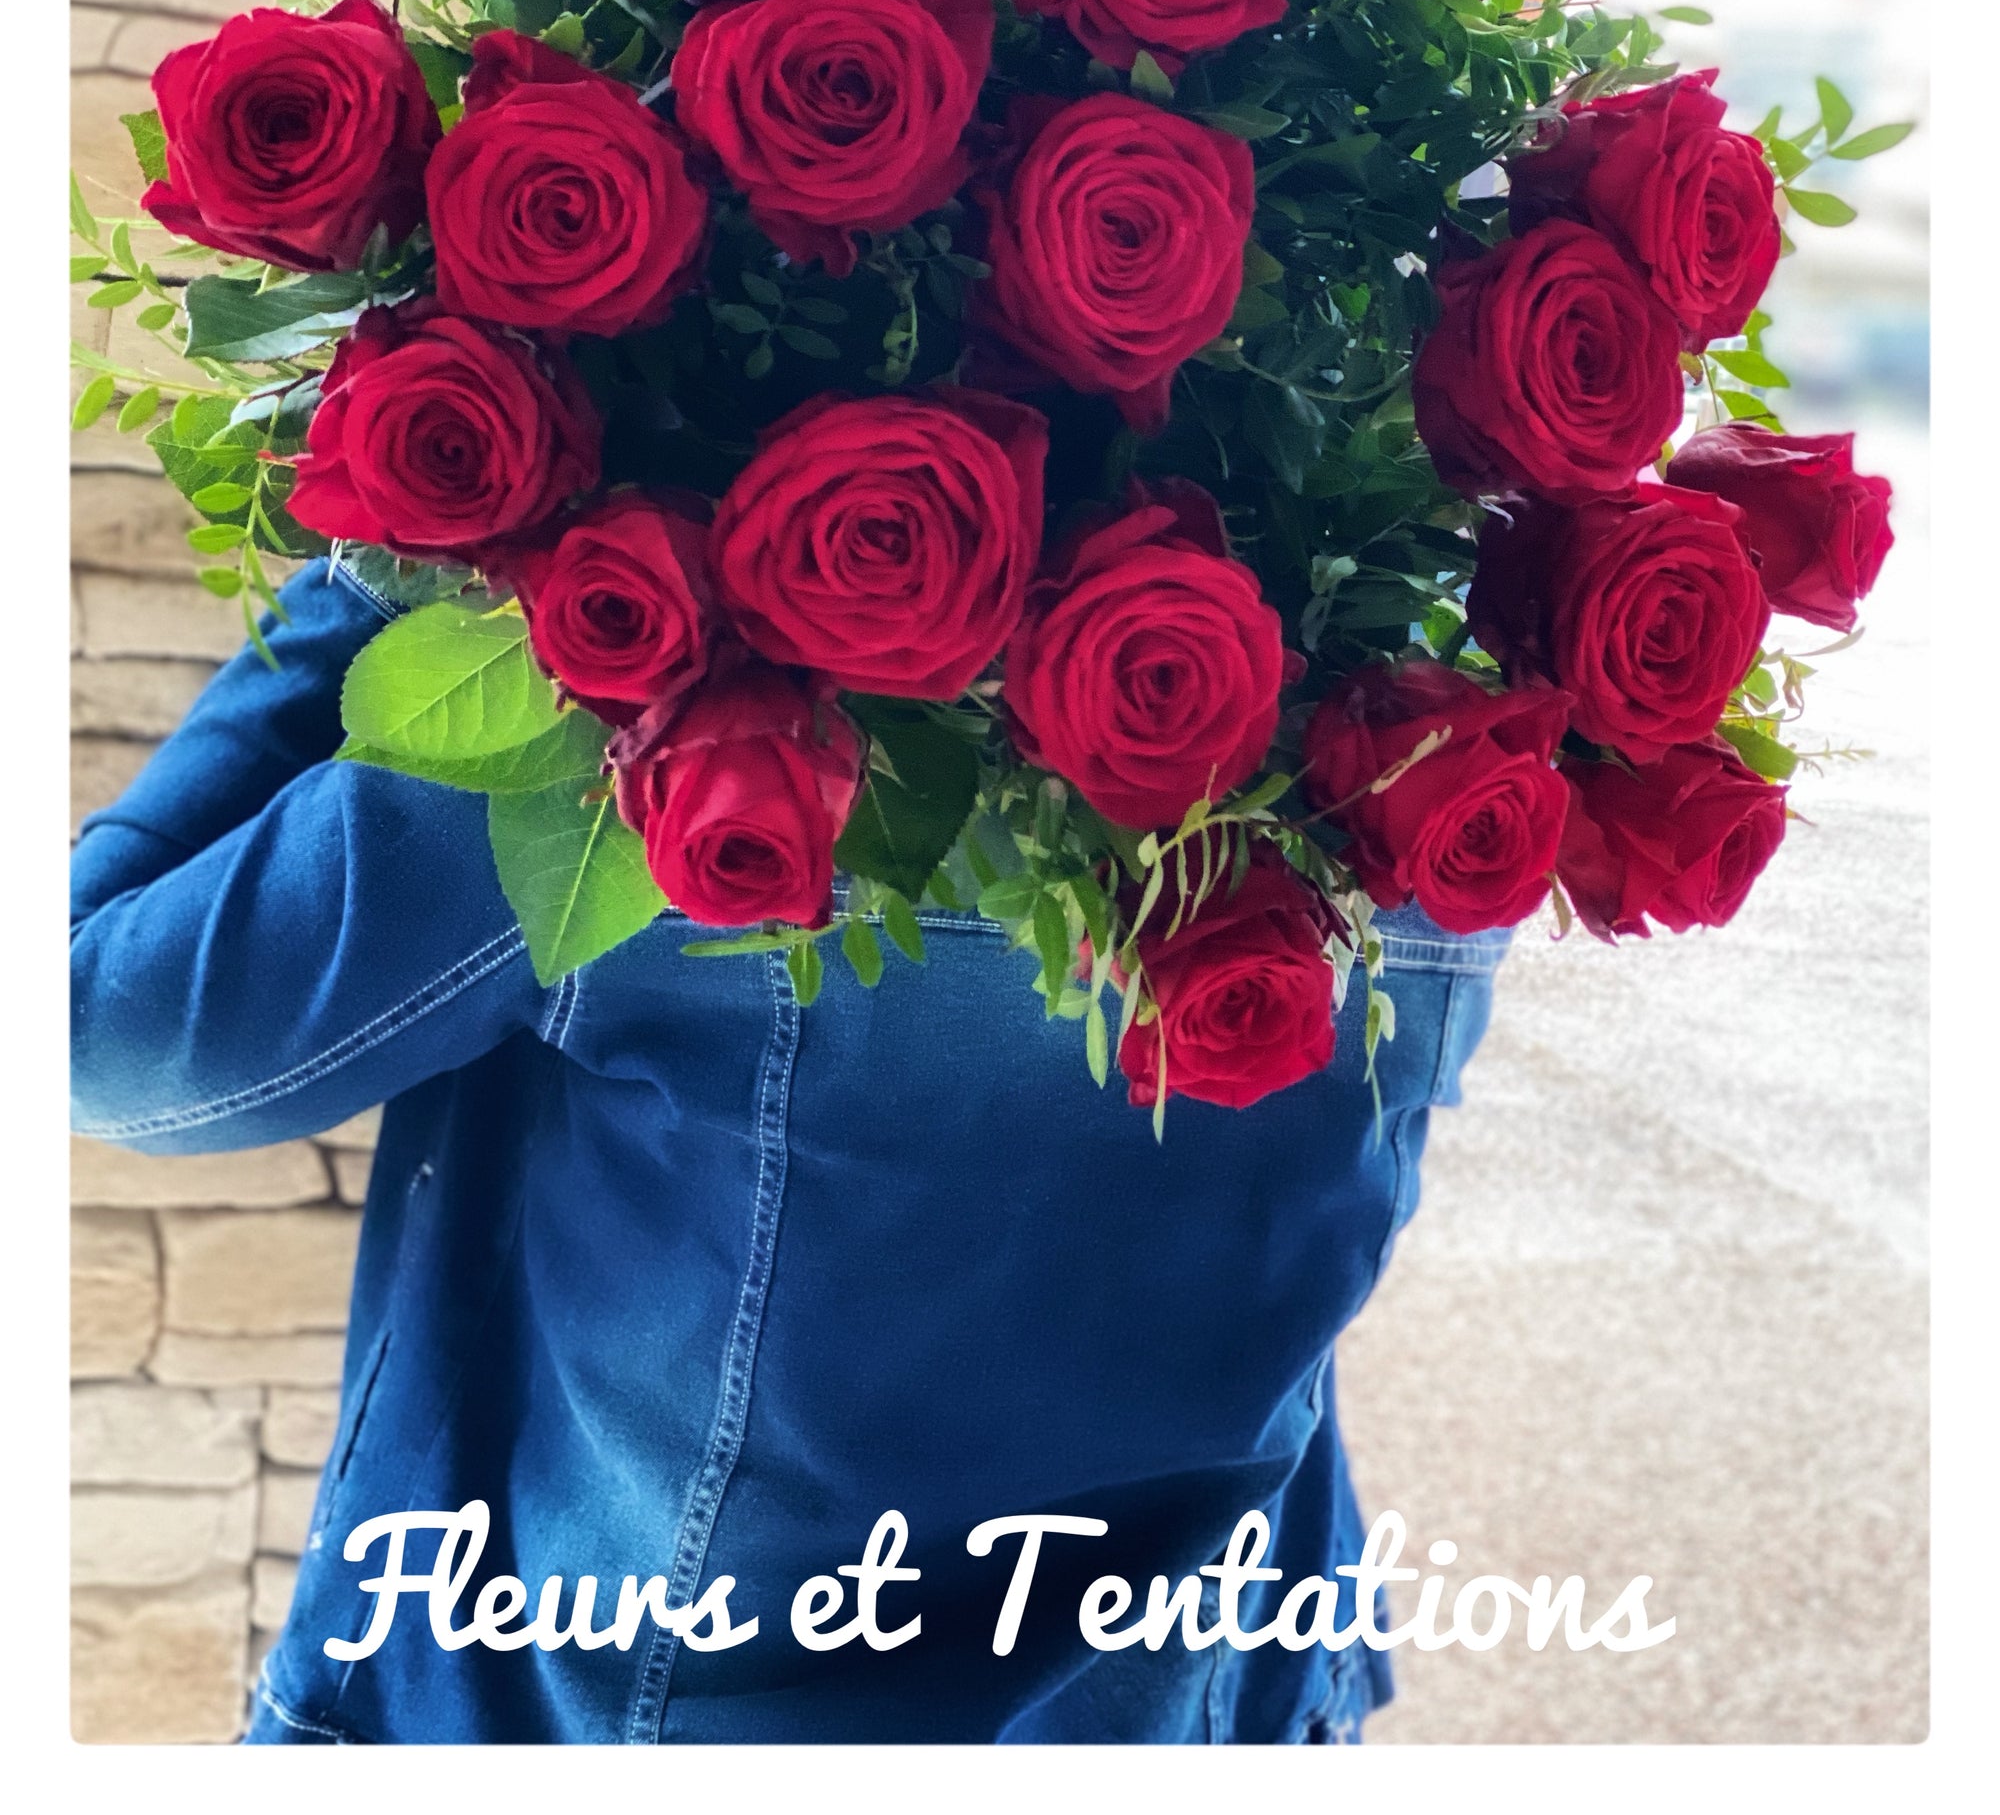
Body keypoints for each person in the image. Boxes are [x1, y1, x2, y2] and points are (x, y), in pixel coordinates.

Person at [70, 548, 1510, 1746]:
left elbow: (98, 1032)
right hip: (1211, 1698)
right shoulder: (1456, 713)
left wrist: (380, 571)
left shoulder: (638, 731)